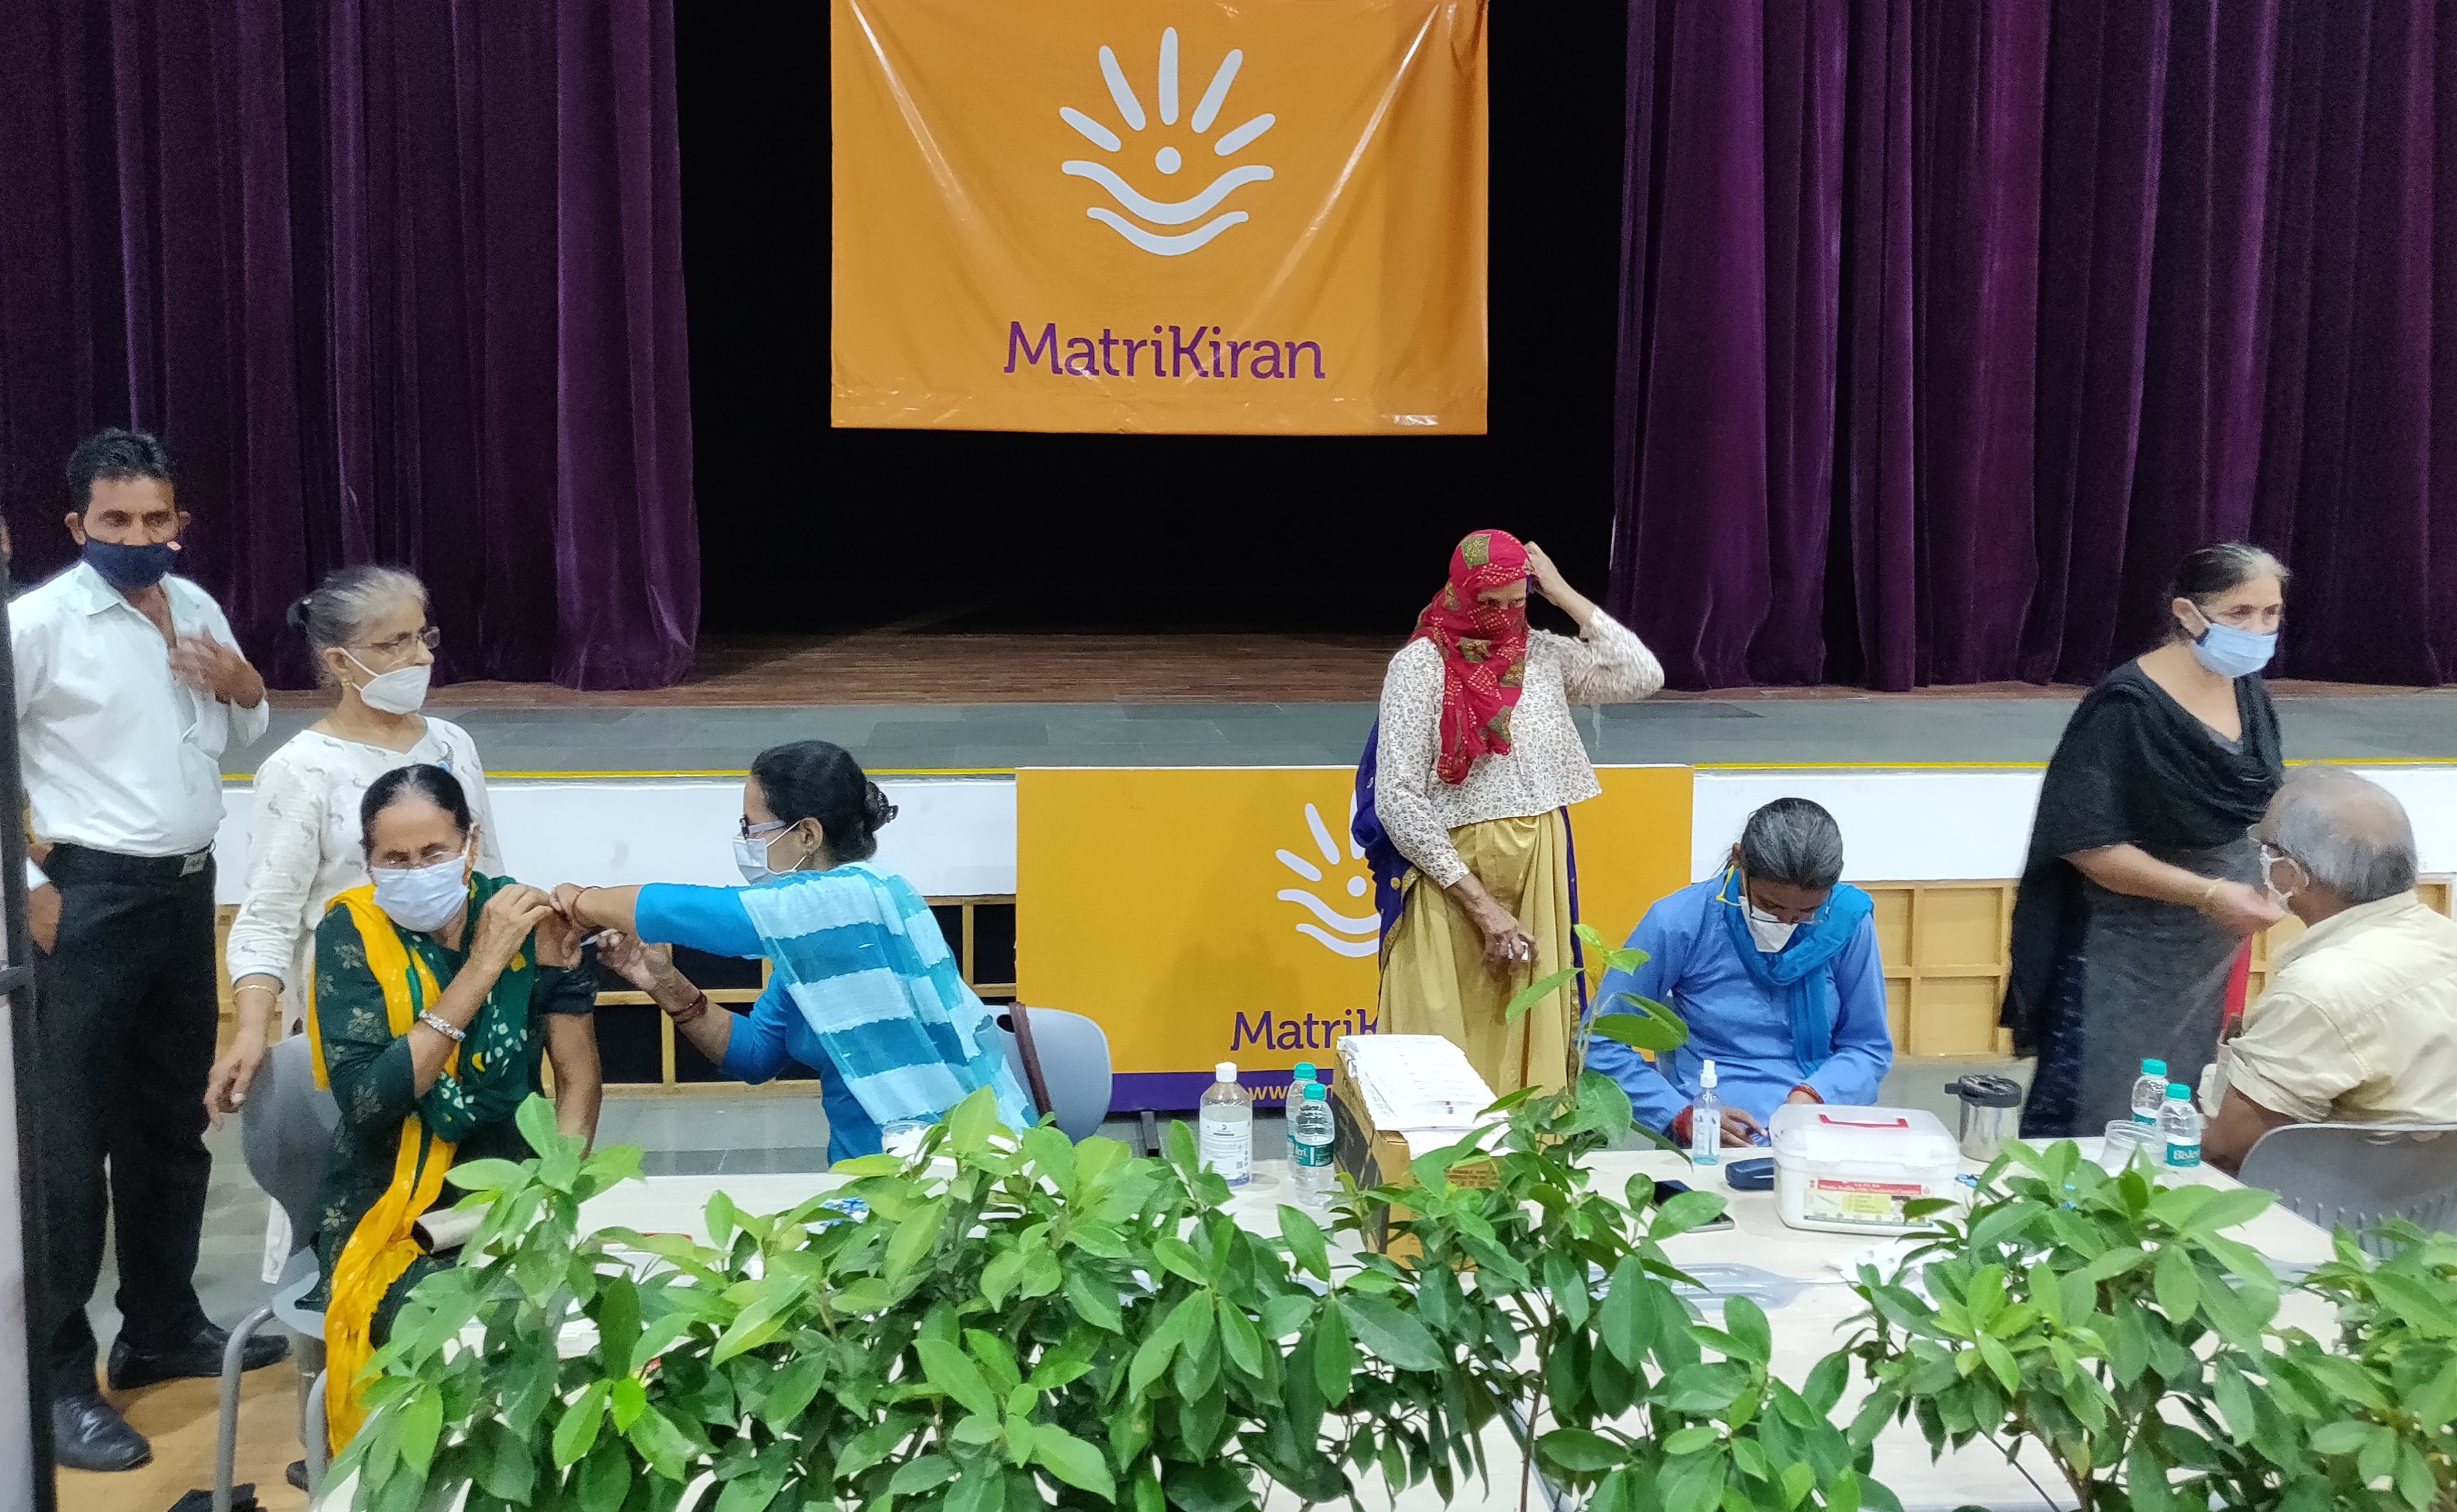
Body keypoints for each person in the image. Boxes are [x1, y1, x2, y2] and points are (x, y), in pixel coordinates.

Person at [12, 429, 287, 1471]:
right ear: (75, 525)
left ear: (181, 521)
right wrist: (27, 886)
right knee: (67, 1148)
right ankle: (54, 1380)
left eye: (155, 518)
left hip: (183, 891)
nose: (138, 535)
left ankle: (161, 1325)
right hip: (84, 898)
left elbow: (244, 730)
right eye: (115, 520)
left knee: (172, 1122)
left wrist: (243, 681)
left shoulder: (199, 603)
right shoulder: (36, 626)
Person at [551, 740, 1032, 1162]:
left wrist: (581, 902)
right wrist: (664, 982)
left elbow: (706, 915)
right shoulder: (818, 936)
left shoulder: (855, 896)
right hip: (877, 1171)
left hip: (951, 1170)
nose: (745, 841)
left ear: (807, 835)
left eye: (752, 828)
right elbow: (755, 1055)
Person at [308, 764, 600, 1453]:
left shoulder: (525, 919)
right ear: (369, 861)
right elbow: (369, 1102)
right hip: (393, 1208)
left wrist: (554, 1191)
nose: (416, 871)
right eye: (395, 859)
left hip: (516, 1195)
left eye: (433, 852)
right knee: (458, 1332)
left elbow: (578, 1080)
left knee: (587, 1318)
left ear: (470, 844)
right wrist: (482, 965)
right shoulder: (352, 933)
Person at [2004, 543, 2290, 1139]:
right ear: (2187, 613)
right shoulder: (2126, 708)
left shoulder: (2247, 691)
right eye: (2240, 613)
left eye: (2272, 613)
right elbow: (2088, 844)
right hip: (2121, 957)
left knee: (2175, 1111)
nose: (2259, 630)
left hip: (2206, 956)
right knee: (2094, 1117)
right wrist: (2208, 893)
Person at [1365, 529, 1662, 1095]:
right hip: (1451, 873)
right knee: (1441, 1019)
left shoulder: (1543, 655)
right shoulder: (1420, 666)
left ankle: (1527, 1143)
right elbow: (1398, 798)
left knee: (1532, 1018)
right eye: (1489, 602)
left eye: (1517, 602)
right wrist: (1480, 904)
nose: (1503, 617)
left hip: (1537, 865)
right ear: (1461, 592)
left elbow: (1643, 673)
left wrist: (1562, 593)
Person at [210, 566, 501, 1124]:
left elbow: (486, 871)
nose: (422, 656)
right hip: (355, 1011)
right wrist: (250, 1031)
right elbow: (269, 917)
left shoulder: (453, 744)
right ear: (341, 662)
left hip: (461, 998)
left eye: (424, 636)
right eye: (397, 643)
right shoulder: (301, 768)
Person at [1588, 799, 1893, 1143]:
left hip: (1816, 1127)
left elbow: (1868, 1047)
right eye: (1770, 907)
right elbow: (1600, 1039)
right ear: (1739, 860)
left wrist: (1814, 1095)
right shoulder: (1680, 921)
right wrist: (1681, 1115)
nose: (1786, 923)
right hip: (1710, 1134)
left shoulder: (1845, 922)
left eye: (1807, 912)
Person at [2201, 769, 2457, 1173]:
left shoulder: (2318, 988)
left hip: (2338, 1203)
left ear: (2292, 874)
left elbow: (2231, 1146)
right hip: (2438, 1202)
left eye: (2266, 848)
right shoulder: (2446, 938)